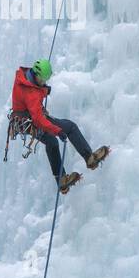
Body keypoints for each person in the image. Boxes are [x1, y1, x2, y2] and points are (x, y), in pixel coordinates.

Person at [11, 58, 108, 193]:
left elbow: (33, 94)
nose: (44, 82)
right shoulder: (31, 93)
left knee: (51, 142)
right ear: (36, 75)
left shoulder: (25, 76)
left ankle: (61, 180)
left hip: (23, 121)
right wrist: (57, 131)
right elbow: (38, 119)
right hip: (31, 121)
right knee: (69, 127)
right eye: (43, 79)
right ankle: (89, 158)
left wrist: (42, 89)